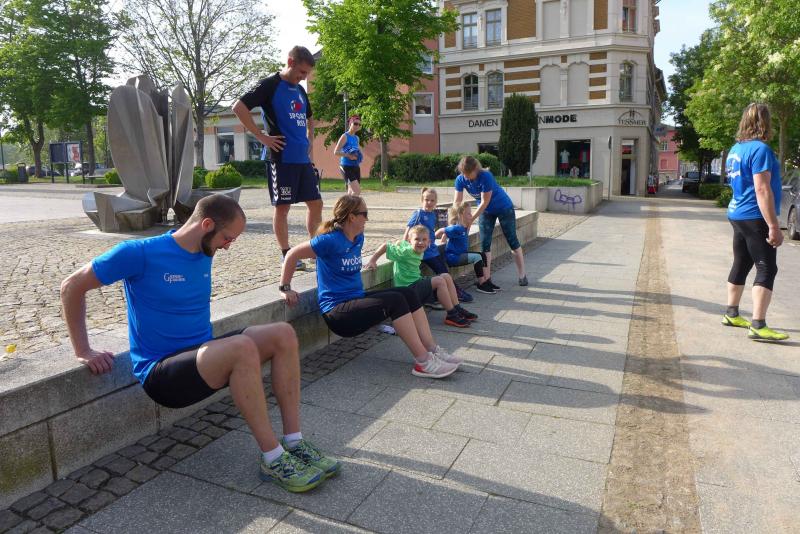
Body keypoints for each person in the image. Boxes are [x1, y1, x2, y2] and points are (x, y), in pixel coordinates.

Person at [60, 194, 340, 493]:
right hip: (162, 373)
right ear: (206, 225)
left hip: (201, 358)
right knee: (242, 347)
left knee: (283, 333)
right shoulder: (139, 253)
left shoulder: (204, 252)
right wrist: (83, 350)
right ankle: (273, 458)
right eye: (227, 238)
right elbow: (71, 286)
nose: (228, 246)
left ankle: (294, 442)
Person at [279, 195, 462, 378]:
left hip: (356, 300)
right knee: (396, 300)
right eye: (364, 214)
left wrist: (374, 259)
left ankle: (432, 349)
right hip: (337, 313)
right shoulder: (329, 240)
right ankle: (423, 362)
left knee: (407, 293)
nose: (367, 219)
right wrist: (285, 287)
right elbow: (292, 254)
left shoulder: (358, 238)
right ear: (352, 217)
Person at [232, 45, 322, 271]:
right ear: (290, 62)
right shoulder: (269, 85)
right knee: (283, 207)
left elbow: (310, 117)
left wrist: (310, 140)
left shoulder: (300, 90)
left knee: (316, 203)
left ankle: (314, 249)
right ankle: (286, 254)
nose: (304, 78)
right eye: (301, 72)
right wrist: (261, 136)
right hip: (281, 158)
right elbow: (239, 107)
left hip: (302, 159)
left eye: (307, 74)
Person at [722, 103, 788, 341]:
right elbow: (762, 189)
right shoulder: (761, 150)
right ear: (765, 122)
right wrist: (773, 226)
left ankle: (731, 313)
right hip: (754, 216)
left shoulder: (735, 149)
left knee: (741, 262)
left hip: (737, 213)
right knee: (767, 268)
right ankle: (758, 324)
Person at [365, 224, 477, 328]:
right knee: (439, 281)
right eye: (417, 239)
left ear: (429, 242)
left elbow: (401, 242)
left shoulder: (417, 249)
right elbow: (385, 246)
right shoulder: (406, 252)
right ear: (410, 241)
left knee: (446, 276)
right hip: (407, 289)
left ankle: (457, 309)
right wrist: (372, 260)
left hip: (416, 283)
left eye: (424, 240)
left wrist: (399, 242)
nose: (420, 242)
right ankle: (451, 314)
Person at [453, 155, 528, 288]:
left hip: (504, 208)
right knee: (485, 244)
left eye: (468, 174)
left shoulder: (486, 176)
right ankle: (486, 279)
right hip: (486, 212)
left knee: (512, 240)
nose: (465, 177)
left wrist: (471, 220)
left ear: (476, 170)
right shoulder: (460, 179)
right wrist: (456, 221)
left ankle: (522, 275)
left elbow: (484, 202)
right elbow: (457, 202)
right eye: (463, 173)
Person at [403, 188, 473, 303]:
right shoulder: (418, 214)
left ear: (436, 202)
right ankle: (453, 293)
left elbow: (433, 232)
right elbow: (409, 229)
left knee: (444, 271)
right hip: (423, 252)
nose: (429, 203)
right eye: (426, 200)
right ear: (422, 200)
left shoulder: (432, 215)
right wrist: (404, 244)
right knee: (441, 272)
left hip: (432, 250)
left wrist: (442, 238)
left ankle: (452, 291)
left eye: (432, 200)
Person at [436, 202, 494, 294]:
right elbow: (440, 230)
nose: (471, 215)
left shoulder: (464, 228)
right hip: (454, 257)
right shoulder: (456, 228)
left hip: (460, 254)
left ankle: (486, 280)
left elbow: (446, 234)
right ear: (461, 215)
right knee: (477, 257)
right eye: (468, 213)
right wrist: (431, 240)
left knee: (482, 255)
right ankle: (481, 284)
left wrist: (444, 239)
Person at [333, 115, 363, 196]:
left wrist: (359, 155)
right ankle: (348, 204)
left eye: (359, 124)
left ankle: (345, 204)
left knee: (351, 192)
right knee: (357, 191)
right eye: (355, 124)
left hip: (355, 166)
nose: (357, 126)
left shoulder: (357, 138)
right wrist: (348, 155)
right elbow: (336, 152)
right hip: (346, 166)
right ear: (350, 124)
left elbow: (357, 150)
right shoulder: (345, 136)